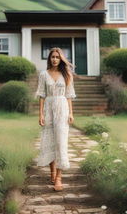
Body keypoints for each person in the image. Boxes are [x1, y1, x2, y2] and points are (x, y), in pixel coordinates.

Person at [35, 47, 76, 191]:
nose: (54, 59)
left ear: (61, 59)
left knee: (60, 141)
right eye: (52, 57)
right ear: (49, 59)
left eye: (57, 57)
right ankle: (52, 172)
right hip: (48, 109)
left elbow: (69, 95)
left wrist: (71, 113)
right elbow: (41, 95)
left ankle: (59, 177)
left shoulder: (67, 75)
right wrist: (40, 114)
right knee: (49, 141)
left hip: (62, 108)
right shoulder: (43, 74)